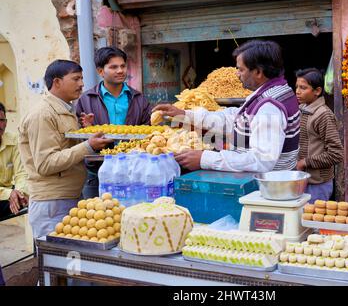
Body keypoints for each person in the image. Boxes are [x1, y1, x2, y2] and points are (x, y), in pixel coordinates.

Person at [153, 40, 300, 172]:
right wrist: (184, 114)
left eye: (241, 69)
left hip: (268, 189)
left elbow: (262, 161)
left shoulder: (269, 108)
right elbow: (234, 119)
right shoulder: (276, 91)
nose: (237, 74)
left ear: (258, 72)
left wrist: (205, 159)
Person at [18, 60, 112, 239]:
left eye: (82, 79)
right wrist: (88, 146)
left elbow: (66, 148)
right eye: (76, 79)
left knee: (69, 260)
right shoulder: (43, 115)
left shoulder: (66, 111)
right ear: (57, 82)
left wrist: (86, 132)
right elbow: (45, 164)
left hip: (68, 196)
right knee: (56, 261)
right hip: (51, 202)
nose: (82, 84)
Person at [75, 47, 152, 197]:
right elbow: (77, 138)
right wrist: (88, 129)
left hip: (132, 170)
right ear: (100, 71)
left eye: (123, 66)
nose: (120, 70)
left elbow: (148, 130)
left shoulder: (138, 98)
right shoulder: (87, 99)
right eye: (113, 67)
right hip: (97, 171)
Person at [295, 68, 344, 201]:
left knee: (312, 220)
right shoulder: (303, 110)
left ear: (317, 91)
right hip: (302, 181)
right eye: (297, 87)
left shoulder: (323, 115)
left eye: (303, 88)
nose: (297, 91)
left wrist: (305, 162)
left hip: (318, 184)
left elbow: (336, 154)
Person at [0, 102, 28, 218]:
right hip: (5, 194)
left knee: (31, 197)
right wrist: (8, 193)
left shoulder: (13, 139)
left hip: (6, 194)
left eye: (1, 120)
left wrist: (19, 193)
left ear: (6, 123)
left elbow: (21, 173)